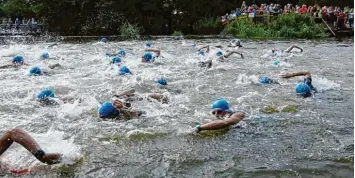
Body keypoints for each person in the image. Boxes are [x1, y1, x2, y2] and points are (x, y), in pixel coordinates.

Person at [98, 89, 169, 120]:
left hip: (147, 101)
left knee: (150, 97)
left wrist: (116, 96)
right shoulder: (123, 114)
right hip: (143, 108)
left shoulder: (127, 109)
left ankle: (164, 98)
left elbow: (133, 90)